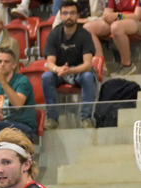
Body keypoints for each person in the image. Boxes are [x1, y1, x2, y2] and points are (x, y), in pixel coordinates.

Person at [42, 1, 98, 129]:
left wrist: (70, 71)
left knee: (88, 77)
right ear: (60, 16)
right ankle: (52, 118)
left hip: (79, 71)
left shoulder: (85, 35)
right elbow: (49, 63)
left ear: (78, 15)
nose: (68, 17)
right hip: (60, 72)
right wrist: (58, 69)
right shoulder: (54, 34)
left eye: (72, 13)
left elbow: (88, 65)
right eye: (65, 13)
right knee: (46, 77)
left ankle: (86, 118)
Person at [83, 0, 141, 76]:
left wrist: (118, 16)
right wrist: (107, 16)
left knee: (116, 27)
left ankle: (127, 66)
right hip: (117, 21)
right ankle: (101, 66)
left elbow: (137, 16)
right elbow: (107, 11)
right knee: (87, 28)